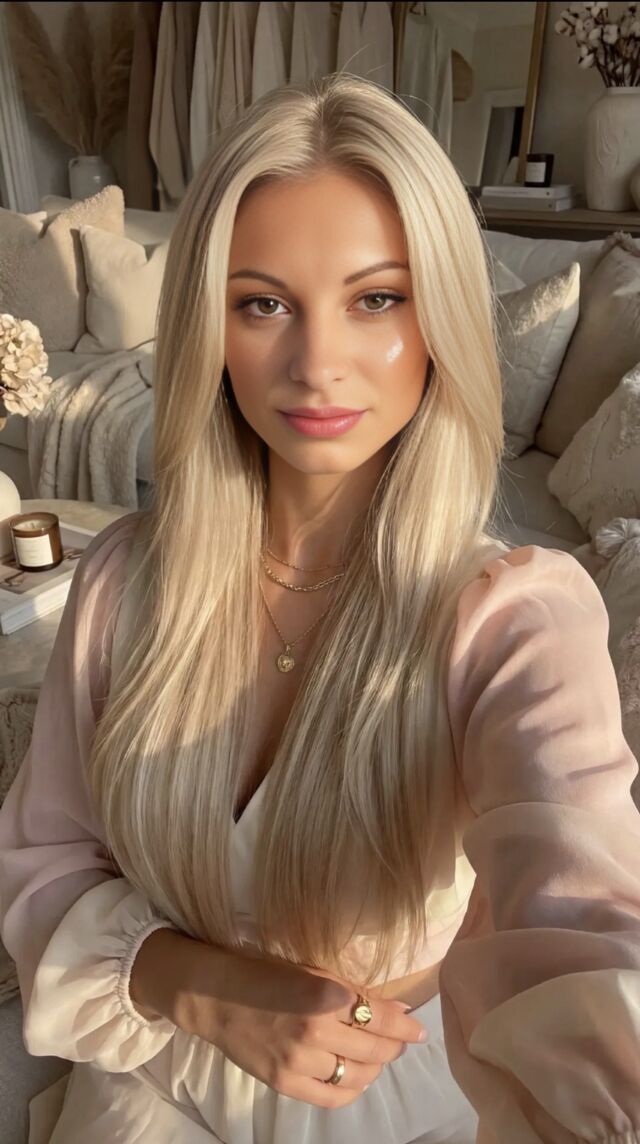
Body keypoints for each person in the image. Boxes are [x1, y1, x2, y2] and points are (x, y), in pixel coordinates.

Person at [1, 73, 639, 1144]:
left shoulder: (512, 622)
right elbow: (45, 862)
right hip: (148, 1083)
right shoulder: (123, 580)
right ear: (209, 327)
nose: (316, 363)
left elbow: (582, 918)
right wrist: (196, 982)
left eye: (376, 298)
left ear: (438, 317)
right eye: (262, 303)